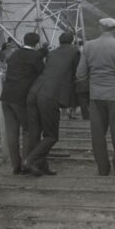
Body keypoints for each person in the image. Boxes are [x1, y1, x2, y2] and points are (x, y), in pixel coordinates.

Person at [75, 17, 115, 176]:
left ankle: (103, 168)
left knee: (98, 133)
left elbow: (80, 74)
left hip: (96, 93)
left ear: (101, 28)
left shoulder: (88, 45)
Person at [23, 31, 79, 176]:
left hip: (34, 93)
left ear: (60, 41)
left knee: (35, 134)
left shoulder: (52, 53)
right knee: (51, 136)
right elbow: (77, 74)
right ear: (72, 41)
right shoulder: (75, 52)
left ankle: (41, 166)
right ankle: (29, 161)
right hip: (50, 96)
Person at [0, 32, 45, 174]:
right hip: (21, 99)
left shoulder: (14, 54)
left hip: (6, 96)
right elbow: (42, 74)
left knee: (11, 132)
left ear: (24, 41)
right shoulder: (36, 56)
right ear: (37, 43)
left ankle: (15, 166)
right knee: (28, 130)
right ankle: (27, 162)